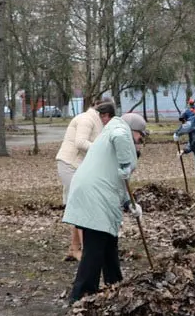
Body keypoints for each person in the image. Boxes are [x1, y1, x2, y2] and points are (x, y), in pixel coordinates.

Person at [63, 112, 148, 303]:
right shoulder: (120, 129)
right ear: (133, 130)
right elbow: (120, 136)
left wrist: (129, 204)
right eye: (140, 138)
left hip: (99, 194)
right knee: (94, 249)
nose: (139, 143)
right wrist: (127, 162)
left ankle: (115, 285)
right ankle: (81, 296)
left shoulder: (116, 142)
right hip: (94, 195)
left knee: (109, 244)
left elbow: (120, 181)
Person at [56, 99, 115, 261]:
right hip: (70, 164)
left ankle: (75, 249)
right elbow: (81, 143)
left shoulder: (94, 121)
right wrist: (102, 150)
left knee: (77, 206)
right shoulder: (86, 119)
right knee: (82, 207)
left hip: (78, 166)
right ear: (102, 113)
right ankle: (88, 251)